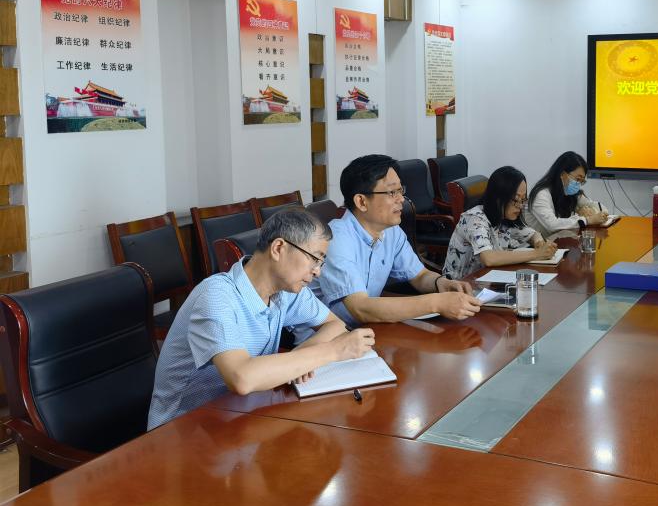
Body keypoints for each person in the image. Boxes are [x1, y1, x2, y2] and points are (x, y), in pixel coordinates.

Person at [148, 208, 374, 429]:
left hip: (240, 416)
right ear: (278, 248)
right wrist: (332, 352)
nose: (318, 272)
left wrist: (300, 361)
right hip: (183, 430)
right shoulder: (216, 296)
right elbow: (242, 377)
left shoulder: (287, 290)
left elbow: (334, 325)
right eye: (314, 259)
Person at [305, 154, 479, 330]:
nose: (401, 199)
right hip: (324, 337)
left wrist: (442, 283)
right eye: (391, 192)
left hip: (366, 329)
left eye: (400, 190)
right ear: (361, 201)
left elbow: (419, 276)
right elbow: (360, 308)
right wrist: (436, 303)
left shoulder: (390, 231)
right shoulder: (337, 239)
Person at [443, 165, 559, 279]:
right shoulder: (474, 219)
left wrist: (539, 243)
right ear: (498, 198)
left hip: (488, 279)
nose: (520, 206)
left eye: (523, 199)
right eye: (516, 199)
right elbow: (489, 258)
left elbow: (533, 234)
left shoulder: (504, 217)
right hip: (460, 284)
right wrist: (537, 254)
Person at [524, 151, 609, 237]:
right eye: (577, 179)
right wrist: (587, 220)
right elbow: (552, 225)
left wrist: (599, 213)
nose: (578, 184)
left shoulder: (570, 192)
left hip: (558, 240)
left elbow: (594, 205)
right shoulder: (541, 194)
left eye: (582, 181)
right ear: (562, 174)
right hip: (538, 243)